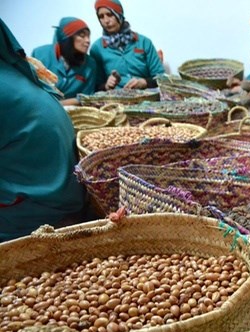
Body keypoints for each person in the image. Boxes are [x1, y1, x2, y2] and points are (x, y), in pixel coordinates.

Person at [0, 18, 85, 242]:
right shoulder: (17, 70)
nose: (86, 41)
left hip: (41, 211)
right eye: (80, 35)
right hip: (68, 195)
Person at [91, 0, 165, 90]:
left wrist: (144, 82)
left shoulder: (144, 42)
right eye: (101, 17)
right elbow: (95, 86)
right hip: (115, 100)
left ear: (119, 14)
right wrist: (106, 85)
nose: (106, 21)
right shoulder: (97, 49)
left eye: (110, 14)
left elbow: (161, 78)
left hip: (147, 97)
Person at [31, 17, 97, 105]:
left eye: (88, 36)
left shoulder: (90, 65)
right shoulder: (40, 54)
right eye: (82, 35)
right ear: (67, 37)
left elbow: (88, 99)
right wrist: (75, 100)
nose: (88, 41)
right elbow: (32, 92)